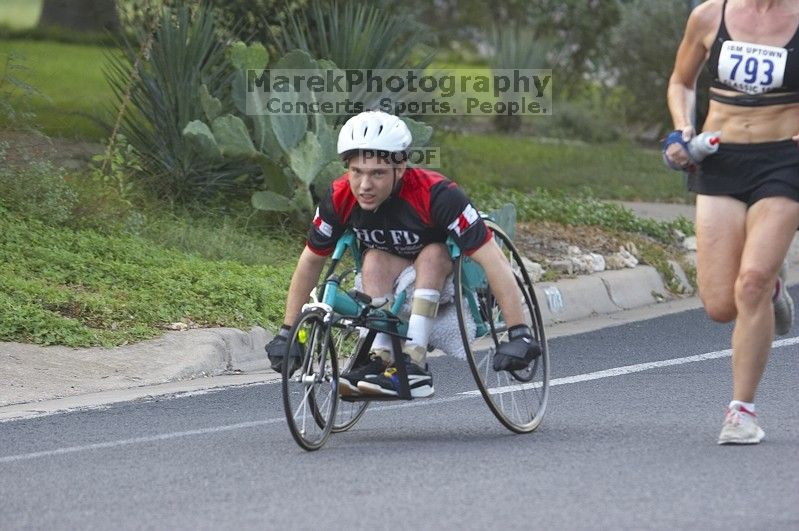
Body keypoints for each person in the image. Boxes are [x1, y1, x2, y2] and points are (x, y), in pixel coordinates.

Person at [265, 110, 540, 398]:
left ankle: (414, 363)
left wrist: (518, 331)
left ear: (401, 168)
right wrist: (287, 331)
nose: (364, 185)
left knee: (432, 253)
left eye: (377, 174)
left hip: (443, 271)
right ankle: (380, 356)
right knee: (372, 259)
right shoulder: (339, 197)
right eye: (356, 172)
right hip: (391, 268)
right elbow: (311, 260)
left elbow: (493, 259)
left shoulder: (438, 194)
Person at [665, 0, 799, 444]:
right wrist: (682, 129)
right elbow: (682, 81)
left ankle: (741, 411)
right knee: (721, 305)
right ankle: (772, 285)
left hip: (785, 159)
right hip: (720, 158)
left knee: (751, 283)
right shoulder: (709, 15)